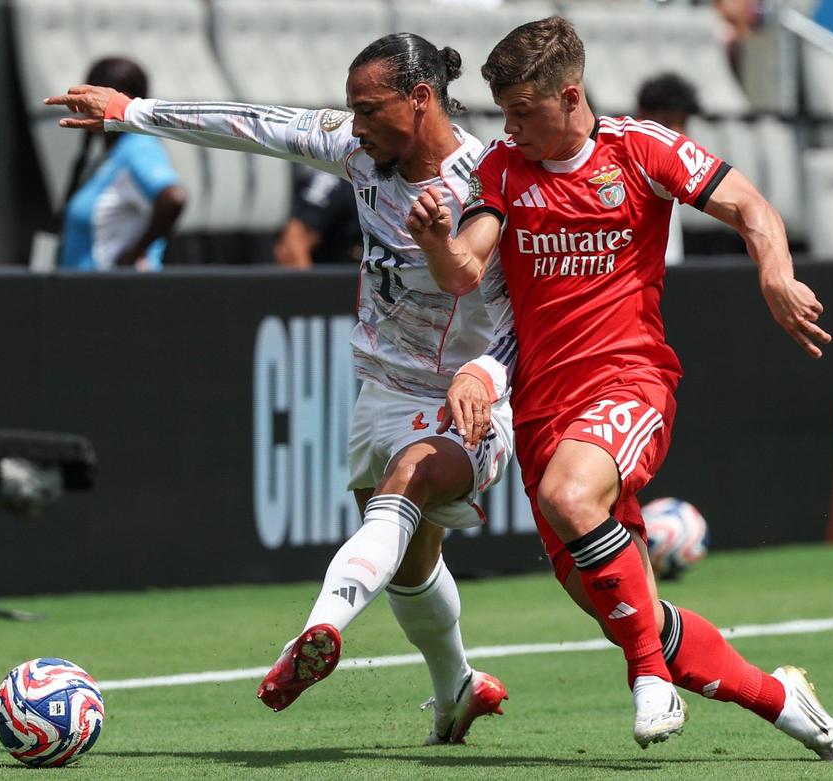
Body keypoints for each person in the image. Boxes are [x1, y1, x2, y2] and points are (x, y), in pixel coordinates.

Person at [407, 16, 833, 761]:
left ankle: (648, 679)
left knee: (572, 499)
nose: (510, 128)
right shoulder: (501, 170)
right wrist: (433, 239)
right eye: (505, 113)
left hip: (628, 380)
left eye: (524, 111)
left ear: (570, 94)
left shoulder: (638, 148)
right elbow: (463, 269)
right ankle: (785, 700)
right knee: (630, 608)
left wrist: (775, 270)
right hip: (544, 408)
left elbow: (750, 205)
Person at [45, 33, 517, 744]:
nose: (354, 124)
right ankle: (458, 688)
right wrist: (132, 110)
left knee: (410, 483)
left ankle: (320, 627)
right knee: (411, 564)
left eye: (367, 108)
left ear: (421, 99)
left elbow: (468, 276)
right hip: (380, 389)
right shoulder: (359, 152)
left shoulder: (488, 176)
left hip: (465, 394)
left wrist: (447, 274)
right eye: (350, 110)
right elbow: (255, 124)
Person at [58, 57, 187, 271]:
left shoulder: (138, 146)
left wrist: (131, 258)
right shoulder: (109, 154)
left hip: (117, 295)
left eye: (93, 96)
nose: (83, 104)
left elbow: (173, 198)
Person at [635, 73, 701, 265]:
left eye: (682, 123)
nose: (677, 132)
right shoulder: (622, 170)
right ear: (642, 114)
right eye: (668, 121)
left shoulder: (673, 170)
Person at [274, 167, 363, 268]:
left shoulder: (382, 184)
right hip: (335, 276)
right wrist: (309, 282)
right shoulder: (335, 180)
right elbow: (292, 244)